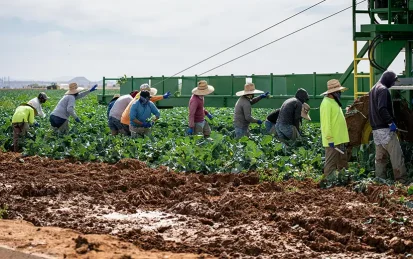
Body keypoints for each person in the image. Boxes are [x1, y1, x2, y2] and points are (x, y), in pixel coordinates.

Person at [368, 70, 408, 184]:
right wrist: (391, 123)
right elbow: (382, 108)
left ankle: (380, 182)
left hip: (376, 131)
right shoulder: (383, 90)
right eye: (393, 81)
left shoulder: (373, 89)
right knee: (397, 156)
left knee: (380, 159)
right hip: (385, 129)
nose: (393, 84)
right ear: (388, 79)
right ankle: (402, 182)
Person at [320, 79, 349, 177]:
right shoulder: (326, 103)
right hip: (333, 140)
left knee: (342, 162)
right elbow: (326, 124)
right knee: (331, 163)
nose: (340, 93)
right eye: (338, 91)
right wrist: (330, 139)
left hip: (340, 139)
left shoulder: (334, 101)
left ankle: (344, 181)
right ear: (333, 92)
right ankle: (328, 183)